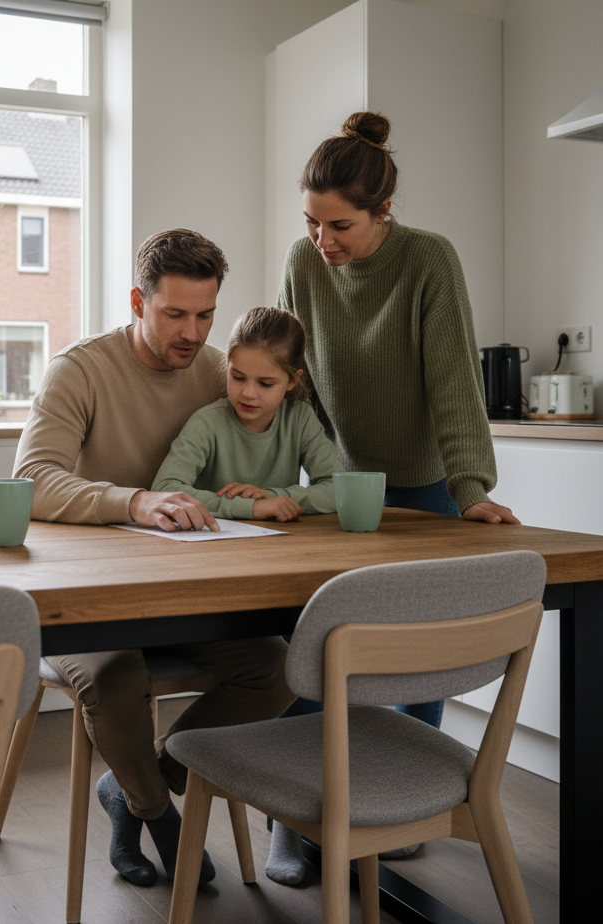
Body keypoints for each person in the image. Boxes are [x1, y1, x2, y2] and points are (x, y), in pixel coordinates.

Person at [267, 111, 521, 883]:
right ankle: (290, 813)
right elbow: (295, 384)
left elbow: (452, 380)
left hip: (425, 487)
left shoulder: (427, 261)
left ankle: (402, 813)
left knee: (419, 664)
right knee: (319, 653)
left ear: (383, 212)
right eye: (311, 222)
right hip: (338, 488)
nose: (322, 240)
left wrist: (471, 488)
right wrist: (302, 482)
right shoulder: (303, 264)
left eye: (338, 224)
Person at [14, 229, 294, 888]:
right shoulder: (80, 370)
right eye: (175, 314)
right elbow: (31, 480)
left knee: (278, 671)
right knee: (115, 680)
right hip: (82, 591)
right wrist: (133, 501)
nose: (192, 332)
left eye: (205, 315)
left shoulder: (216, 371)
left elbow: (255, 459)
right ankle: (157, 814)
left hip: (184, 592)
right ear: (139, 301)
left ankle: (143, 781)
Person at [152, 306, 342, 520]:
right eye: (238, 377)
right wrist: (250, 508)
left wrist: (274, 497)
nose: (248, 393)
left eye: (265, 384)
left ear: (292, 380)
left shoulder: (300, 419)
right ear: (228, 367)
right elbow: (164, 489)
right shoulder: (207, 422)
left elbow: (340, 489)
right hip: (210, 543)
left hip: (280, 543)